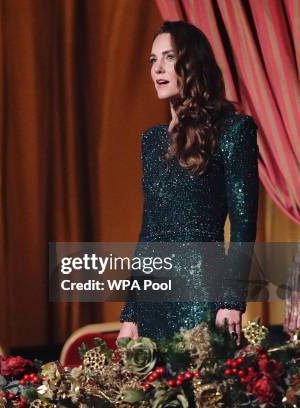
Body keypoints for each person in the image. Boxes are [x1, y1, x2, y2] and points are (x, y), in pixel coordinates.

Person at [118, 21, 258, 343]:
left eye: (169, 57)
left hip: (202, 295)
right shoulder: (151, 141)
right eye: (153, 60)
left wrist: (231, 301)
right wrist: (131, 313)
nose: (158, 68)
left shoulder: (234, 131)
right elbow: (148, 232)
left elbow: (243, 226)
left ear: (191, 64)